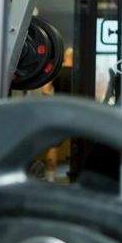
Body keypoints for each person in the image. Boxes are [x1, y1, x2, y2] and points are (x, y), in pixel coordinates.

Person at [40, 47, 73, 182]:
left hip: (60, 110)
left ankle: (50, 177)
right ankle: (76, 174)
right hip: (76, 110)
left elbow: (45, 90)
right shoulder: (79, 72)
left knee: (54, 145)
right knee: (81, 142)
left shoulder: (57, 71)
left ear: (65, 58)